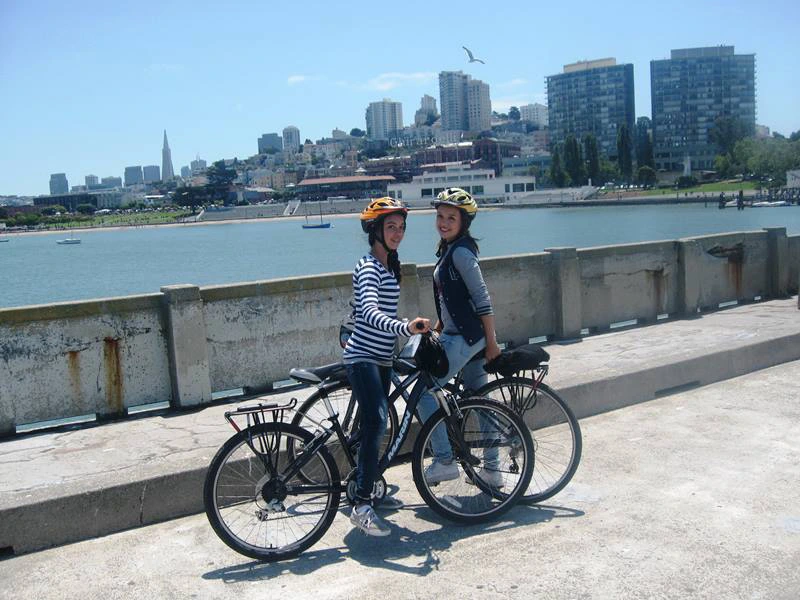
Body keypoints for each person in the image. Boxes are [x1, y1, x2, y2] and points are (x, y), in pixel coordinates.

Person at [343, 197, 430, 537]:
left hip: (381, 358)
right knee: (377, 421)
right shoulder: (368, 267)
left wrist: (407, 328)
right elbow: (369, 312)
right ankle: (361, 505)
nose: (398, 233)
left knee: (376, 422)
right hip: (363, 357)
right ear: (375, 230)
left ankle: (367, 483)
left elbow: (382, 314)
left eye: (401, 228)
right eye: (391, 227)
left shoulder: (388, 266)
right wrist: (405, 327)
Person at [416, 187, 503, 487]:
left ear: (463, 222)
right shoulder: (450, 250)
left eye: (451, 218)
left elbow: (482, 298)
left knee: (423, 391)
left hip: (466, 338)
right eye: (440, 217)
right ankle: (493, 470)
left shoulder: (462, 253)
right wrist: (439, 327)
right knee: (481, 402)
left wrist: (492, 342)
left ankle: (444, 461)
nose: (443, 223)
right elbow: (452, 299)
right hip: (462, 335)